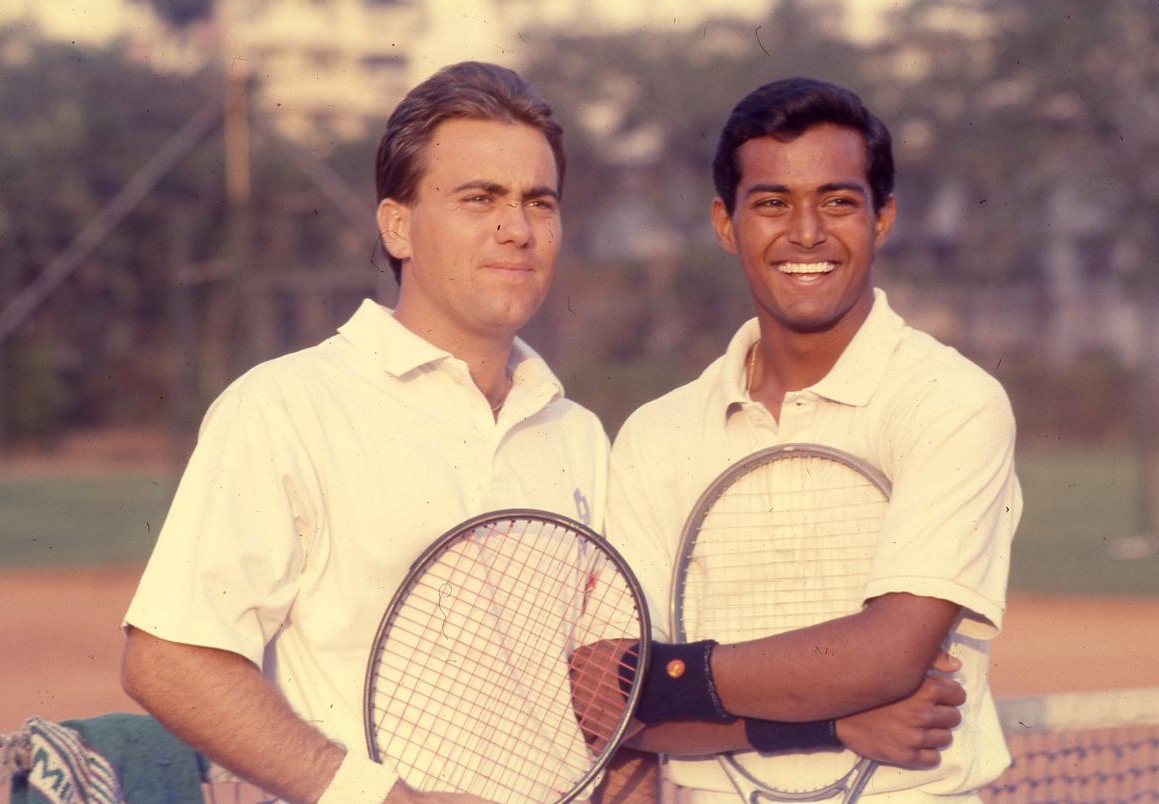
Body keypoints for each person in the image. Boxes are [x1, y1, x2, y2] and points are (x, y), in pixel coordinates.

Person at [120, 61, 607, 804]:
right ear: (397, 225)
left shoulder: (579, 434)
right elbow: (170, 657)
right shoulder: (284, 406)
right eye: (480, 198)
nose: (516, 229)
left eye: (539, 202)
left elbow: (608, 687)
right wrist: (380, 800)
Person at [607, 77, 1021, 801]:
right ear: (726, 223)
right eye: (772, 202)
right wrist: (824, 724)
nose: (806, 234)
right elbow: (605, 695)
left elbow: (889, 658)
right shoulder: (655, 434)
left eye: (838, 201)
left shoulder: (953, 402)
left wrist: (665, 678)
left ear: (883, 218)